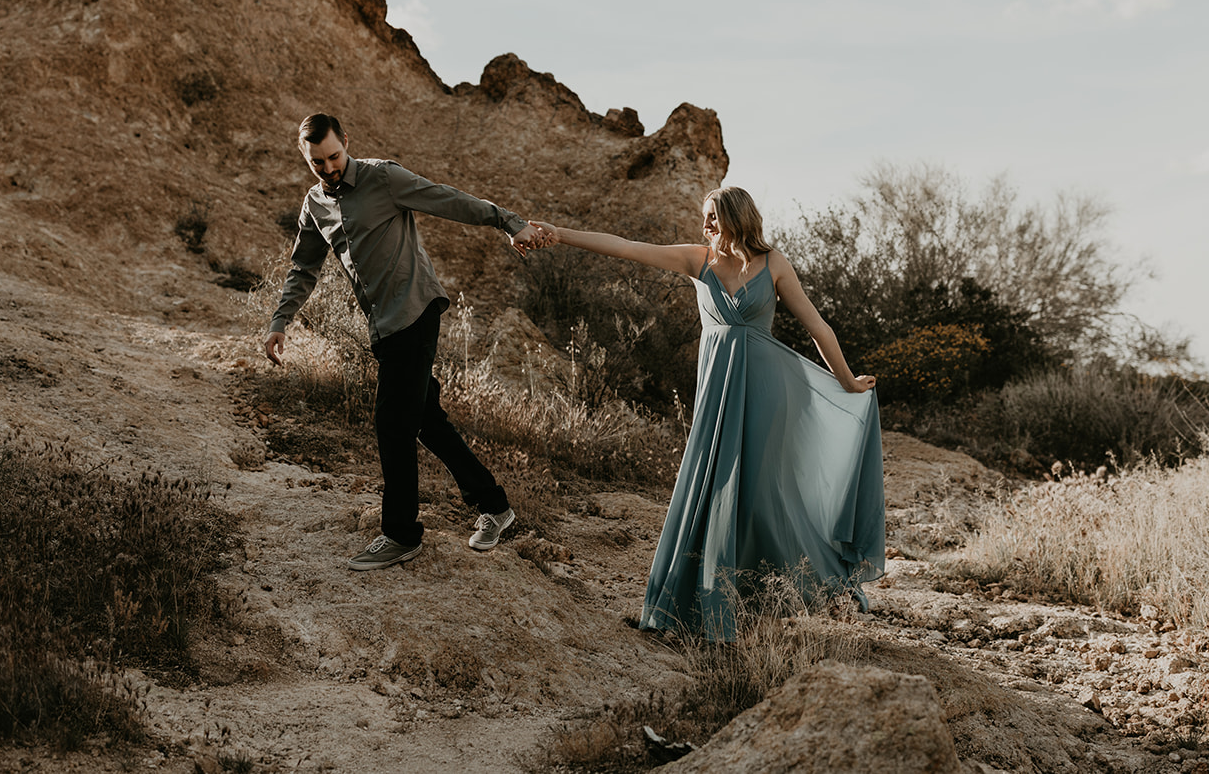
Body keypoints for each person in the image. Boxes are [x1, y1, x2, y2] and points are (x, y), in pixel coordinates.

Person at [530, 186, 884, 638]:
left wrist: (848, 381)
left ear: (738, 216)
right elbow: (624, 247)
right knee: (712, 486)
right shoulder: (698, 260)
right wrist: (559, 234)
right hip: (717, 394)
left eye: (713, 216)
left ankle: (785, 589)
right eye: (704, 217)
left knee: (764, 493)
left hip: (766, 395)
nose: (706, 225)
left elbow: (816, 326)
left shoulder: (773, 263)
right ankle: (705, 602)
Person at [265, 113, 545, 570]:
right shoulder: (315, 204)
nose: (329, 167)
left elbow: (448, 200)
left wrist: (508, 222)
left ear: (346, 143)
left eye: (334, 156)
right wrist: (281, 320)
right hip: (383, 325)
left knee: (391, 423)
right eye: (318, 163)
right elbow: (303, 268)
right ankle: (494, 506)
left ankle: (401, 534)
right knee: (424, 420)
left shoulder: (383, 177)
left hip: (415, 310)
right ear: (306, 158)